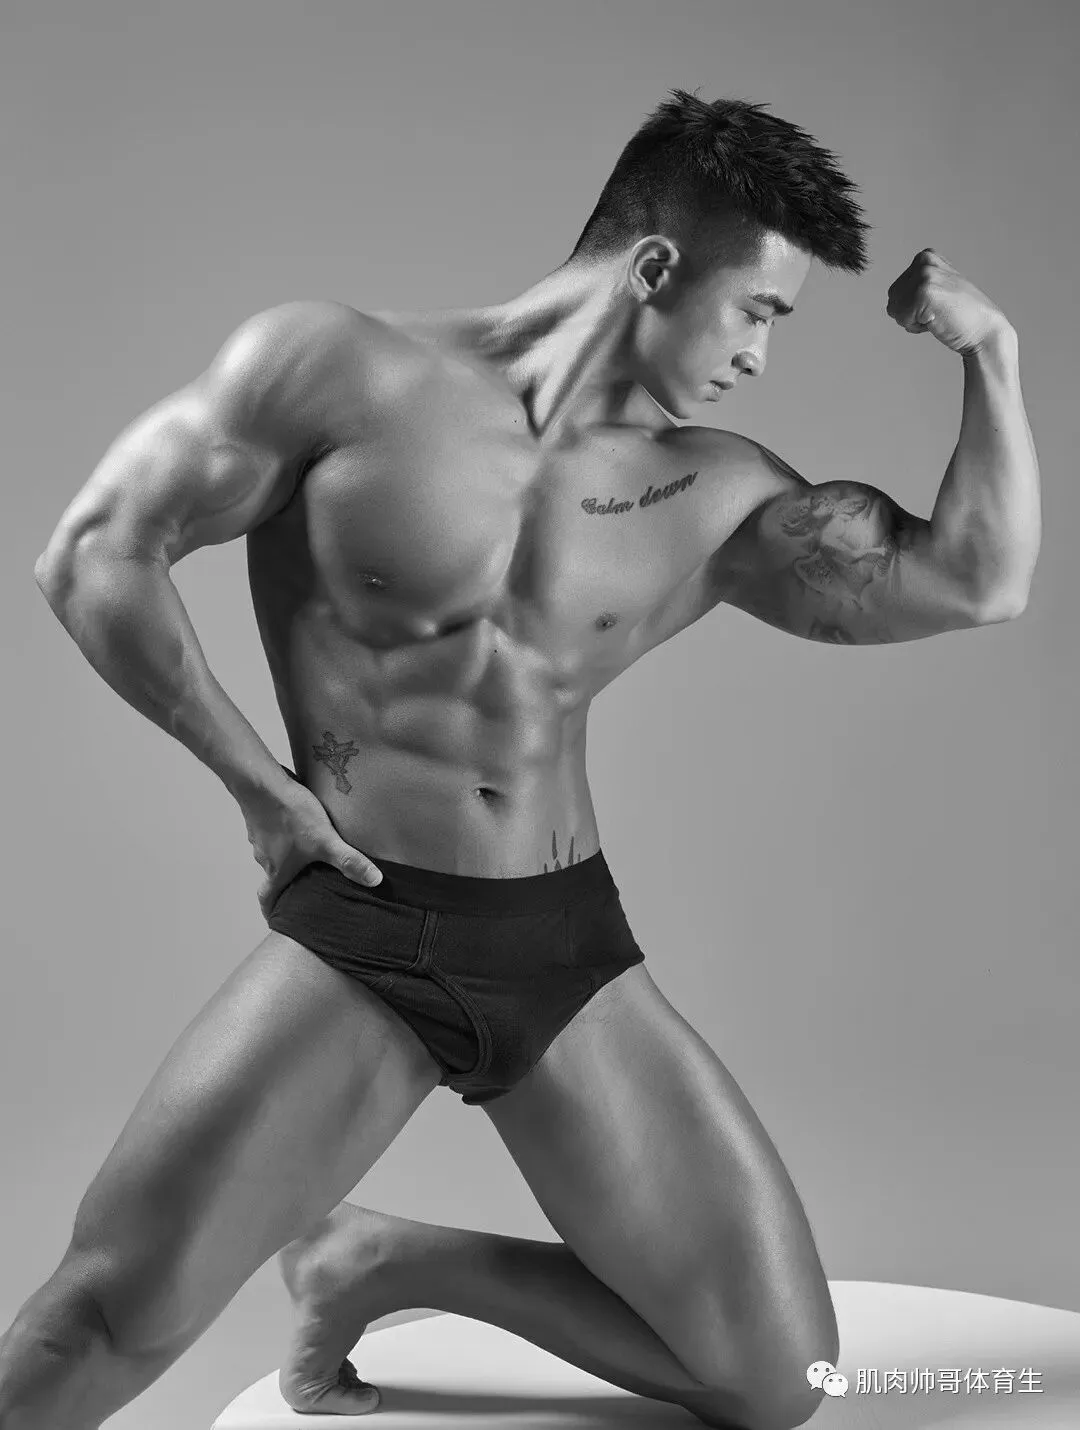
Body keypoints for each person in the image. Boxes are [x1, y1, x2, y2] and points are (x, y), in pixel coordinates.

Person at [3, 88, 1039, 1430]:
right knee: (101, 1323)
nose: (760, 356)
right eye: (756, 311)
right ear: (656, 267)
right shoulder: (340, 374)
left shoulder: (715, 489)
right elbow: (96, 553)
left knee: (781, 1379)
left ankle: (380, 1260)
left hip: (561, 945)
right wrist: (258, 789)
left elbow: (975, 583)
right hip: (368, 932)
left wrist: (992, 354)